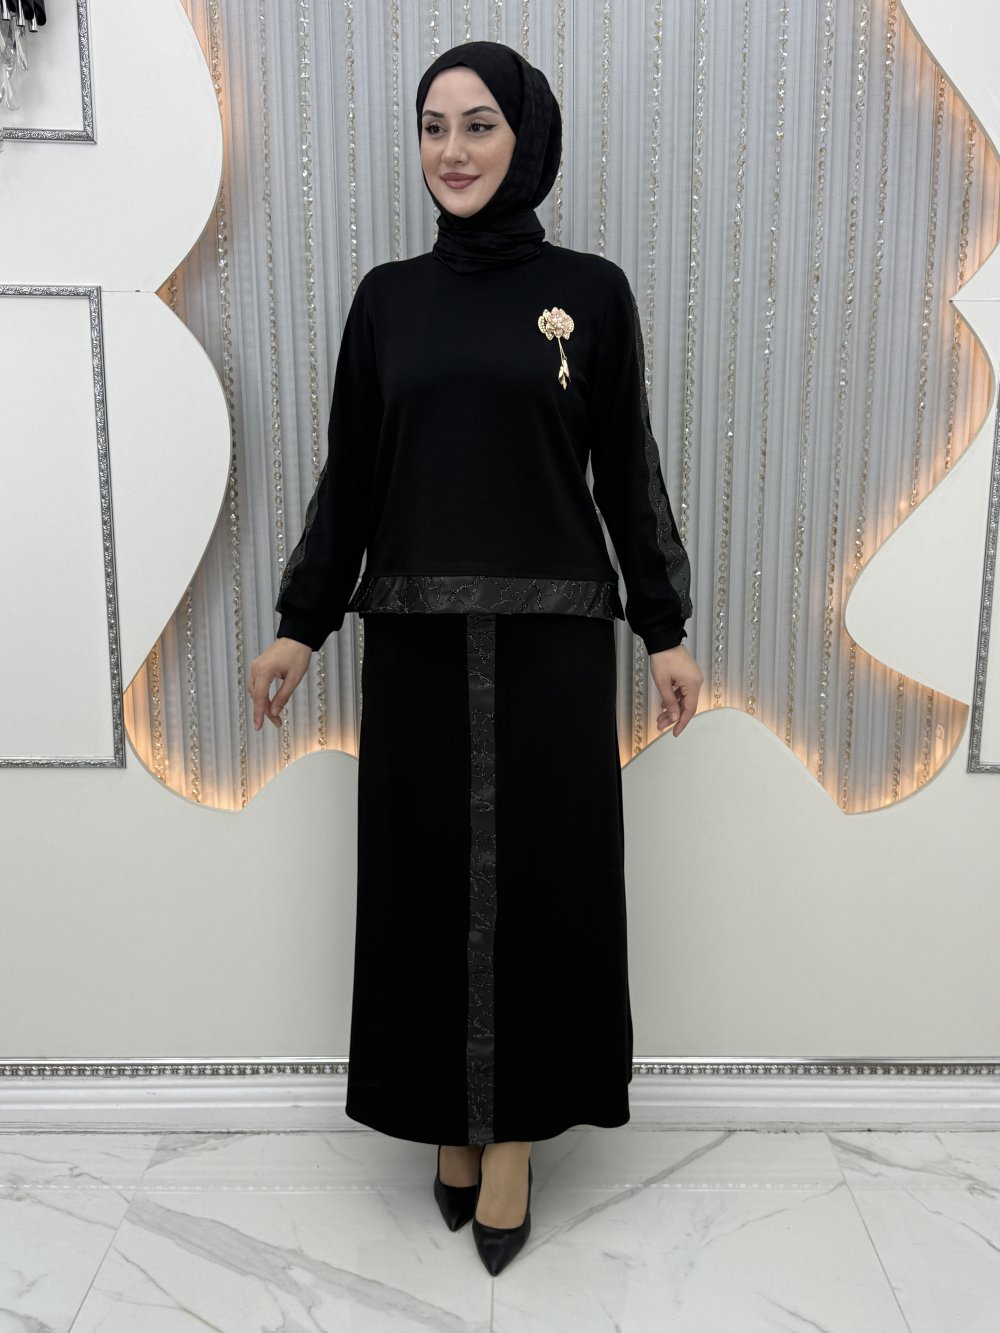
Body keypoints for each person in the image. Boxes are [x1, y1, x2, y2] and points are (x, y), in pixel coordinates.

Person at [247, 39, 703, 1276]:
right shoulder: (387, 301)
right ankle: (447, 1117)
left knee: (546, 889)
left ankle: (512, 1140)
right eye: (434, 126)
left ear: (526, 137)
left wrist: (663, 630)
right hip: (414, 641)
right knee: (423, 886)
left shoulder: (590, 293)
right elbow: (354, 476)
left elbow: (626, 469)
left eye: (480, 124)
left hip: (556, 643)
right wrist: (300, 620)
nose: (452, 150)